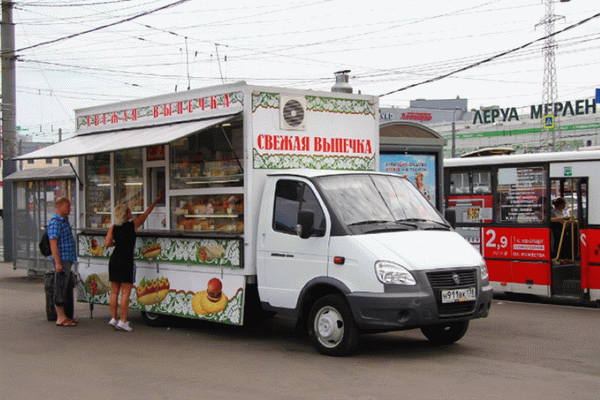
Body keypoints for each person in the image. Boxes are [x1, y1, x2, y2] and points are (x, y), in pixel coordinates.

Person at [105, 190, 164, 332]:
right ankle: (123, 321)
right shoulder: (133, 225)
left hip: (114, 260)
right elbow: (146, 214)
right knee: (125, 293)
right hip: (126, 260)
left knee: (114, 292)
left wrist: (116, 244)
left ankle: (114, 318)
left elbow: (107, 243)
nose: (132, 212)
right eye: (129, 211)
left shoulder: (113, 227)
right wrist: (155, 201)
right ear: (127, 214)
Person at [48, 197, 78, 327]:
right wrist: (58, 262)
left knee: (64, 286)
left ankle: (64, 315)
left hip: (67, 258)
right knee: (59, 286)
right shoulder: (56, 222)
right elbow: (53, 242)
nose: (70, 209)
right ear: (59, 206)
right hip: (62, 259)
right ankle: (60, 317)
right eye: (67, 206)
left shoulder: (64, 221)